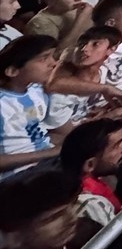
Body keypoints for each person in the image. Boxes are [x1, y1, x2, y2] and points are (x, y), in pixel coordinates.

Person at [0, 35, 73, 178]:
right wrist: (48, 153)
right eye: (43, 59)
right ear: (13, 71)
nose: (53, 63)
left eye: (52, 56)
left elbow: (41, 135)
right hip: (18, 176)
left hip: (47, 161)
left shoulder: (36, 91)